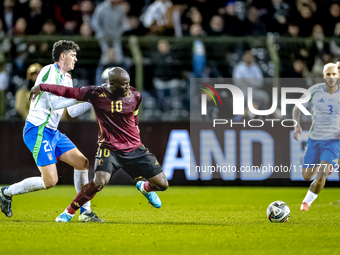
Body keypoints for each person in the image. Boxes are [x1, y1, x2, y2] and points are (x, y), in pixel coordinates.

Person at [29, 67, 169, 222]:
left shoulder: (135, 95)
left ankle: (145, 188)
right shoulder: (96, 93)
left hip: (134, 148)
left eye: (128, 83)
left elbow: (134, 117)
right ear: (111, 84)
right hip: (110, 148)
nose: (127, 87)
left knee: (163, 184)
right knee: (99, 181)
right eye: (123, 85)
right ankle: (69, 211)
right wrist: (42, 86)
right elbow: (68, 91)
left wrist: (136, 130)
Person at [0, 40, 103, 222]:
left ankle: (85, 212)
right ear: (62, 56)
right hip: (37, 129)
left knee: (82, 163)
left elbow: (70, 111)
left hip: (52, 131)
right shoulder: (49, 71)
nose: (76, 59)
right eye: (73, 55)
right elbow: (55, 103)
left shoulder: (68, 78)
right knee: (50, 181)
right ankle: (5, 192)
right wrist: (83, 94)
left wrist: (90, 100)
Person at [293, 63, 340, 211]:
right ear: (323, 75)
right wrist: (296, 125)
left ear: (337, 75)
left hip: (334, 141)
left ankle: (306, 203)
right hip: (314, 139)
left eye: (334, 74)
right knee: (307, 176)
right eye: (328, 74)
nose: (331, 77)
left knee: (321, 176)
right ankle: (325, 165)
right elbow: (297, 107)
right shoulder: (314, 91)